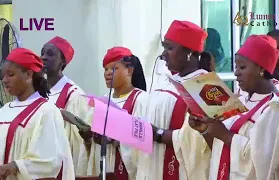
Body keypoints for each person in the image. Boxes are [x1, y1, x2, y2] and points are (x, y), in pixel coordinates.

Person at [189, 35, 279, 179]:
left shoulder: (276, 109)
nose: (236, 73)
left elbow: (263, 164)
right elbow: (221, 152)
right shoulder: (240, 101)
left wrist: (225, 135)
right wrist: (206, 131)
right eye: (236, 67)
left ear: (261, 68)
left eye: (242, 67)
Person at [134, 20, 214, 180]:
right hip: (153, 166)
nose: (163, 54)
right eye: (164, 47)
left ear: (189, 52)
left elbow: (205, 140)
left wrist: (159, 134)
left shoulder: (207, 87)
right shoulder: (165, 81)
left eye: (169, 48)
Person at [74, 47, 148, 180]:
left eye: (114, 68)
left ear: (129, 70)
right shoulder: (101, 102)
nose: (107, 73)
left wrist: (115, 139)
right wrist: (89, 139)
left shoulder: (142, 100)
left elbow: (145, 141)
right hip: (102, 167)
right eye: (105, 69)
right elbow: (91, 150)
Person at [0, 48, 74, 179]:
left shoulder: (46, 111)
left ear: (28, 75)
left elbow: (50, 159)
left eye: (10, 75)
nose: (4, 80)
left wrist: (16, 166)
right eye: (2, 75)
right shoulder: (4, 110)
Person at [40, 36, 92, 175]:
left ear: (63, 61)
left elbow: (78, 142)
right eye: (42, 53)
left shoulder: (74, 95)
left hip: (62, 166)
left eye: (50, 54)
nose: (43, 57)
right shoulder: (38, 91)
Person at [236, 30, 279, 97]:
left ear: (261, 68)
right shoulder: (243, 91)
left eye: (242, 67)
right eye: (276, 48)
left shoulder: (278, 97)